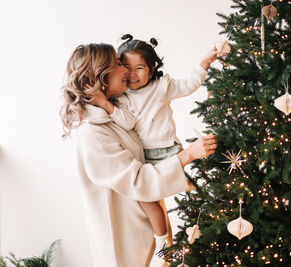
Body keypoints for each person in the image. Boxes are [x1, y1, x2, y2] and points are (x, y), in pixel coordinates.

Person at [60, 43, 217, 267]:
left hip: (146, 230)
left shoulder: (116, 112)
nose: (126, 71)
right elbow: (137, 179)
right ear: (100, 76)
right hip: (125, 241)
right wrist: (187, 155)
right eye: (118, 64)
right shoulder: (91, 132)